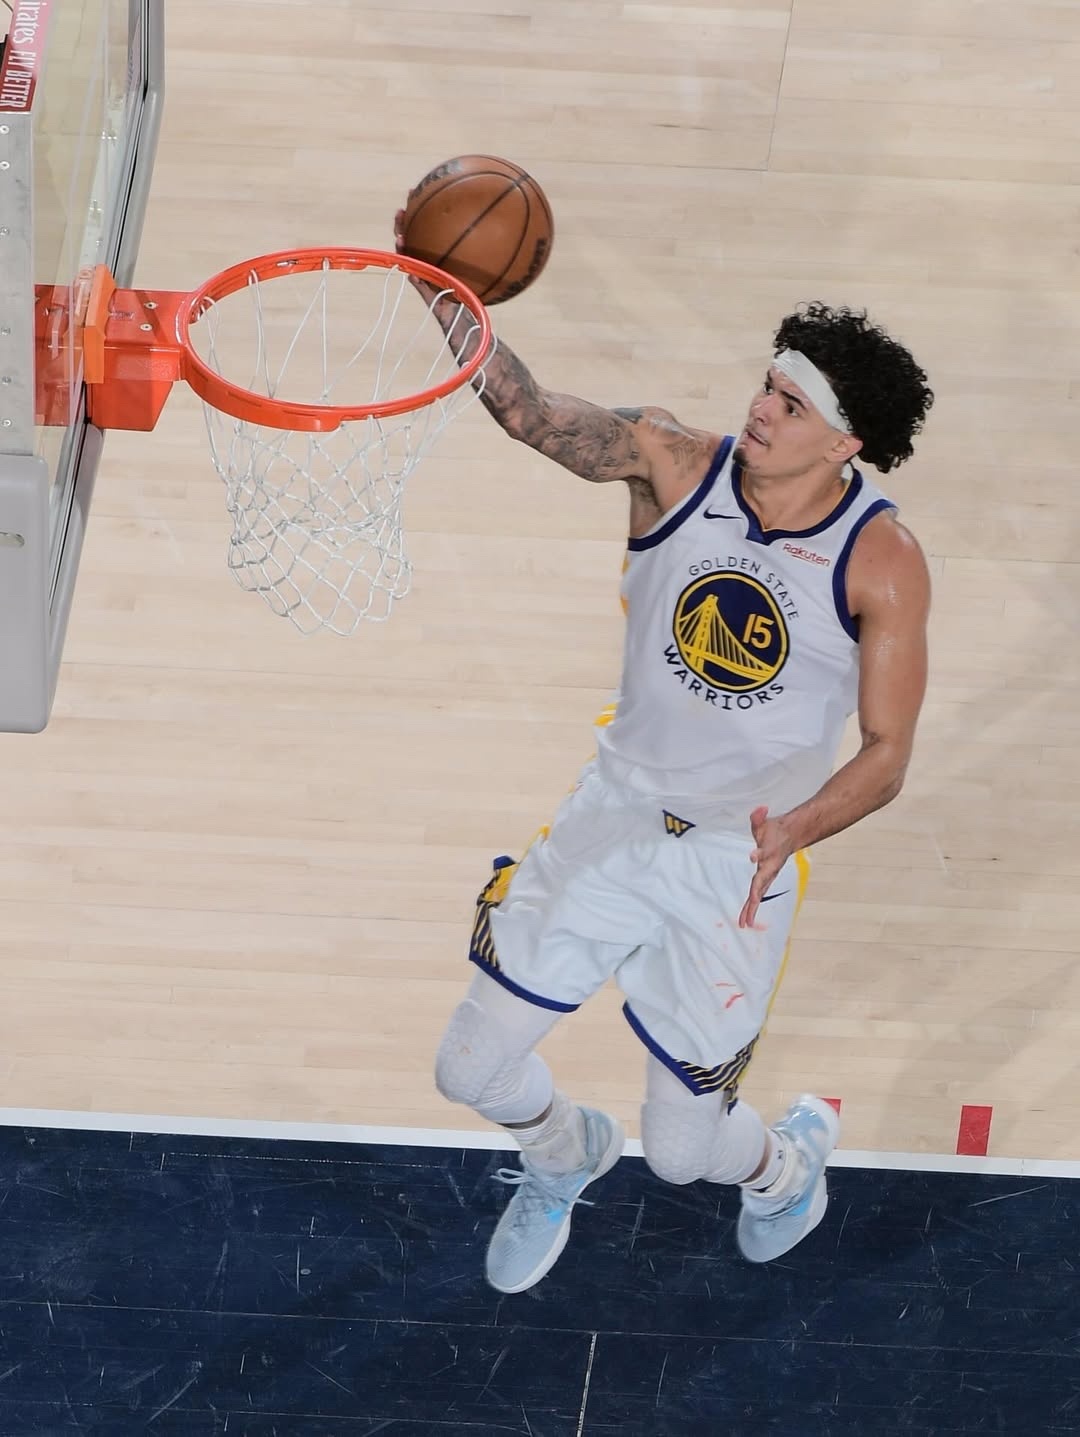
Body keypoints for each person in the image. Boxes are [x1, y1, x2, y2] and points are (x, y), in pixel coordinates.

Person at [400, 230, 934, 1294]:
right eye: (767, 385)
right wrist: (438, 283)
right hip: (615, 812)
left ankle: (785, 1171)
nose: (761, 409)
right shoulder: (673, 461)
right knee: (468, 1066)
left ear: (845, 441)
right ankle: (564, 1151)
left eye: (791, 404)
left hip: (737, 860)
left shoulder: (882, 560)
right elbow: (531, 413)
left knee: (687, 1155)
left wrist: (794, 830)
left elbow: (887, 754)